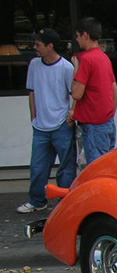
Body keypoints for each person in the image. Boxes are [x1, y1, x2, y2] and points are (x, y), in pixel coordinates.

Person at [16, 28, 77, 214]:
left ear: (50, 46)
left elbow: (74, 93)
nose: (35, 48)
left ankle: (64, 201)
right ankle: (37, 200)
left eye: (38, 44)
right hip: (40, 125)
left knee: (66, 167)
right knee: (37, 166)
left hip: (61, 124)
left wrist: (70, 115)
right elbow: (32, 91)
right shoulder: (34, 64)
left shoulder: (66, 67)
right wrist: (33, 116)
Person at [72, 17, 117, 164]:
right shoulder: (104, 58)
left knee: (96, 168)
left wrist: (76, 69)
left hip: (93, 125)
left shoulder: (86, 60)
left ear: (85, 35)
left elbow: (76, 94)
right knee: (106, 165)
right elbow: (115, 92)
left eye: (78, 36)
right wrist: (109, 114)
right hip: (107, 122)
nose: (77, 40)